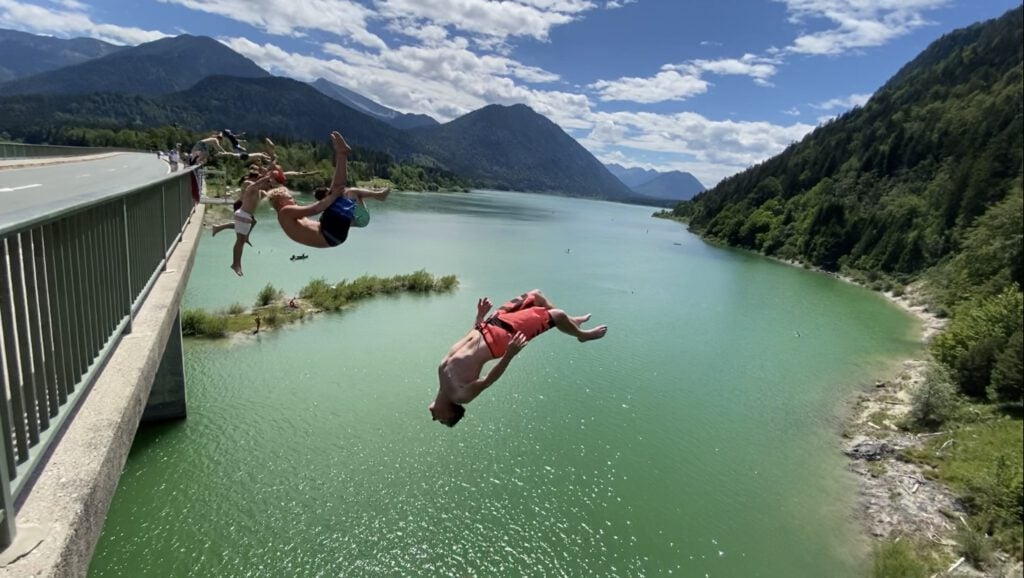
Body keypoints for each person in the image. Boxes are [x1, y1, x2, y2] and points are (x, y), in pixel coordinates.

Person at [429, 290, 608, 427]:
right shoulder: (460, 395)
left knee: (536, 296)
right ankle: (582, 335)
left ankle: (572, 322)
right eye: (441, 421)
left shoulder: (443, 380)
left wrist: (479, 317)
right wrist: (510, 354)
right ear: (448, 414)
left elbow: (467, 343)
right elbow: (487, 381)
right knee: (557, 316)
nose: (435, 419)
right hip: (502, 339)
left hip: (488, 325)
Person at [265, 131, 389, 248]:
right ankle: (342, 154)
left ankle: (342, 154)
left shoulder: (286, 218)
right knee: (337, 191)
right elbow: (314, 209)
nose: (293, 200)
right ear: (280, 201)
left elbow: (315, 219)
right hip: (330, 233)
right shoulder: (285, 211)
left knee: (339, 193)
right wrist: (333, 196)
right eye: (290, 198)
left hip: (332, 235)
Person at [211, 170, 284, 276]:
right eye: (267, 184)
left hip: (245, 217)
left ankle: (217, 228)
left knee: (241, 240)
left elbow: (272, 194)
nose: (268, 186)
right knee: (240, 242)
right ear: (262, 182)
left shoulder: (260, 192)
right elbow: (258, 183)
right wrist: (269, 176)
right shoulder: (252, 188)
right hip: (242, 215)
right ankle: (236, 264)